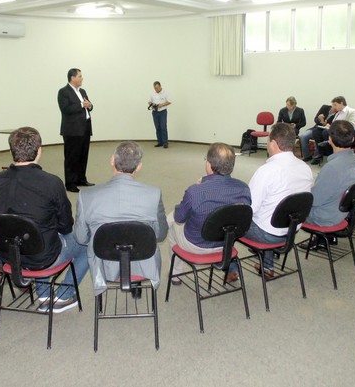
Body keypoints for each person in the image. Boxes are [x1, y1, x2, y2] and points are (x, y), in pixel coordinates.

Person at [0, 127, 88, 313]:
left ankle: (43, 294)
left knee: (35, 233)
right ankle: (64, 294)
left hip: (10, 256)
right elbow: (66, 225)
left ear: (11, 150)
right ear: (39, 150)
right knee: (87, 242)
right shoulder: (51, 182)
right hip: (43, 256)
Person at [74, 141, 168, 297]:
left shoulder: (86, 196)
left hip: (104, 263)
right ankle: (136, 284)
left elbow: (81, 238)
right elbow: (160, 235)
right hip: (144, 262)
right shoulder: (154, 194)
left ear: (112, 160)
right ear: (139, 166)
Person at [168, 143, 251, 284]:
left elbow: (179, 219)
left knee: (171, 222)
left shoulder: (195, 191)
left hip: (197, 245)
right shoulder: (244, 188)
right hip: (226, 244)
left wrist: (200, 187)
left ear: (209, 164)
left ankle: (176, 275)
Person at [245, 123, 313, 277]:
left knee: (228, 223)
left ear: (273, 144)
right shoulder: (305, 168)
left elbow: (249, 209)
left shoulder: (266, 171)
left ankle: (231, 269)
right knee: (269, 211)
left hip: (267, 233)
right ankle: (267, 266)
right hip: (291, 230)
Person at [306, 121, 355, 249]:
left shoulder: (332, 168)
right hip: (344, 213)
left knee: (287, 207)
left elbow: (314, 200)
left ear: (330, 139)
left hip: (326, 217)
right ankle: (327, 239)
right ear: (353, 138)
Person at [57, 68, 94, 192]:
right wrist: (82, 105)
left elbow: (89, 105)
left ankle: (81, 179)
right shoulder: (63, 92)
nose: (82, 78)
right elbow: (65, 109)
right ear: (72, 78)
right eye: (80, 76)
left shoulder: (82, 91)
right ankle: (70, 183)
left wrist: (90, 105)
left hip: (85, 127)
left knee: (83, 155)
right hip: (72, 130)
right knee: (71, 157)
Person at [311, 96, 355, 164]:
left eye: (335, 105)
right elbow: (333, 124)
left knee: (326, 133)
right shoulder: (338, 113)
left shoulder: (352, 111)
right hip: (334, 131)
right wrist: (328, 125)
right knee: (316, 131)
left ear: (341, 103)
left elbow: (353, 126)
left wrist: (339, 127)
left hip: (343, 132)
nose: (334, 107)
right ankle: (320, 152)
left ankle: (330, 153)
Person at [148, 81, 171, 148]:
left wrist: (162, 104)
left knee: (163, 127)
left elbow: (169, 101)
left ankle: (165, 142)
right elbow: (149, 101)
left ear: (160, 86)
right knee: (157, 127)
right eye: (155, 88)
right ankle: (160, 142)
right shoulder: (152, 93)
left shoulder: (165, 93)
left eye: (157, 88)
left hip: (162, 112)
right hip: (155, 112)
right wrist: (151, 103)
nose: (156, 89)